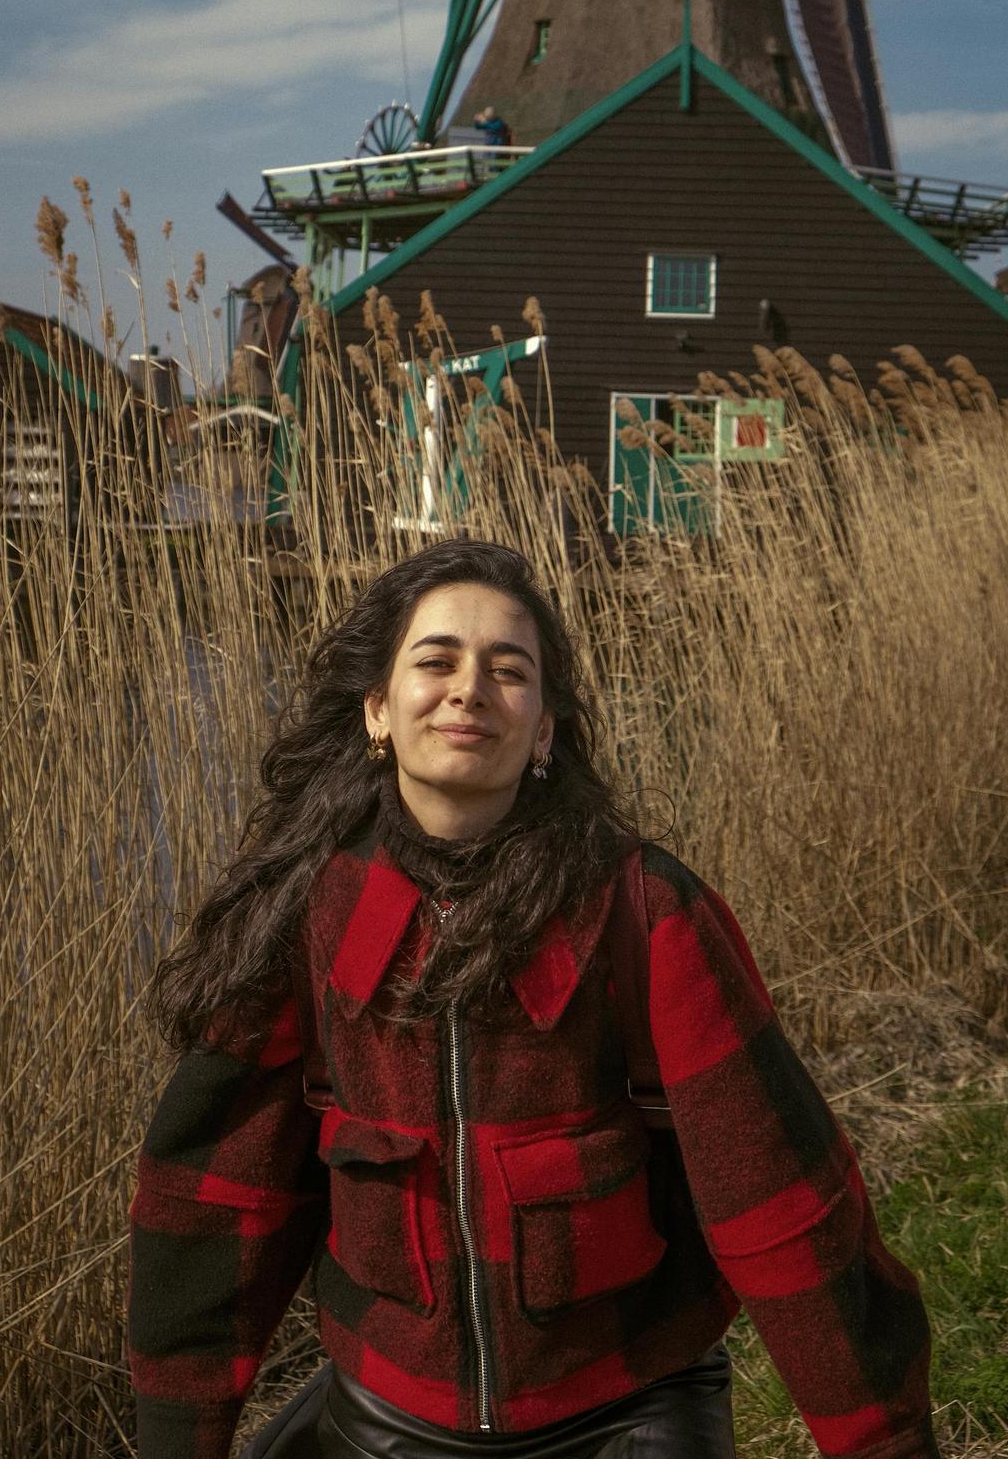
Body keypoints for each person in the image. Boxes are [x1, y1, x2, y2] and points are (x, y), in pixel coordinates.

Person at [128, 540, 941, 1459]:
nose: (469, 688)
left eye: (508, 671)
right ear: (377, 712)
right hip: (388, 1418)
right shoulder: (308, 916)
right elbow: (212, 1201)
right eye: (435, 661)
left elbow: (781, 1199)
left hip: (627, 1409)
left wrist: (882, 1439)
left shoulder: (644, 910)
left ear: (545, 730)